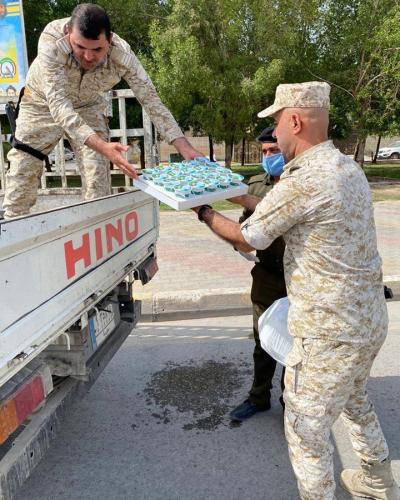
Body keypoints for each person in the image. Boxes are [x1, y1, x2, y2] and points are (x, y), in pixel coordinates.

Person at [192, 81, 399, 499]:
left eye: (277, 123)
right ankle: (378, 480)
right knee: (355, 400)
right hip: (367, 321)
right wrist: (240, 198)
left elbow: (248, 238)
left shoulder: (302, 180)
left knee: (306, 428)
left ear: (295, 121)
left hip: (328, 332)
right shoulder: (346, 168)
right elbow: (284, 211)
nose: (275, 133)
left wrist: (204, 212)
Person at [2, 3, 201, 219]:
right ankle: (13, 227)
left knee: (96, 176)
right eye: (80, 47)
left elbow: (151, 100)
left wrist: (184, 147)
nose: (88, 57)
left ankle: (96, 225)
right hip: (42, 104)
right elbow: (59, 106)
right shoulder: (51, 40)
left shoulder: (122, 54)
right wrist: (104, 146)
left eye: (97, 49)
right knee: (22, 170)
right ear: (68, 32)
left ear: (110, 39)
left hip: (88, 105)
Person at [229, 126, 287, 422]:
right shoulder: (254, 185)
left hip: (299, 276)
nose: (268, 156)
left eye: (274, 150)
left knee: (295, 343)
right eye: (264, 151)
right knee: (263, 339)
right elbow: (246, 225)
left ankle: (291, 400)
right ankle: (258, 397)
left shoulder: (300, 183)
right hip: (266, 274)